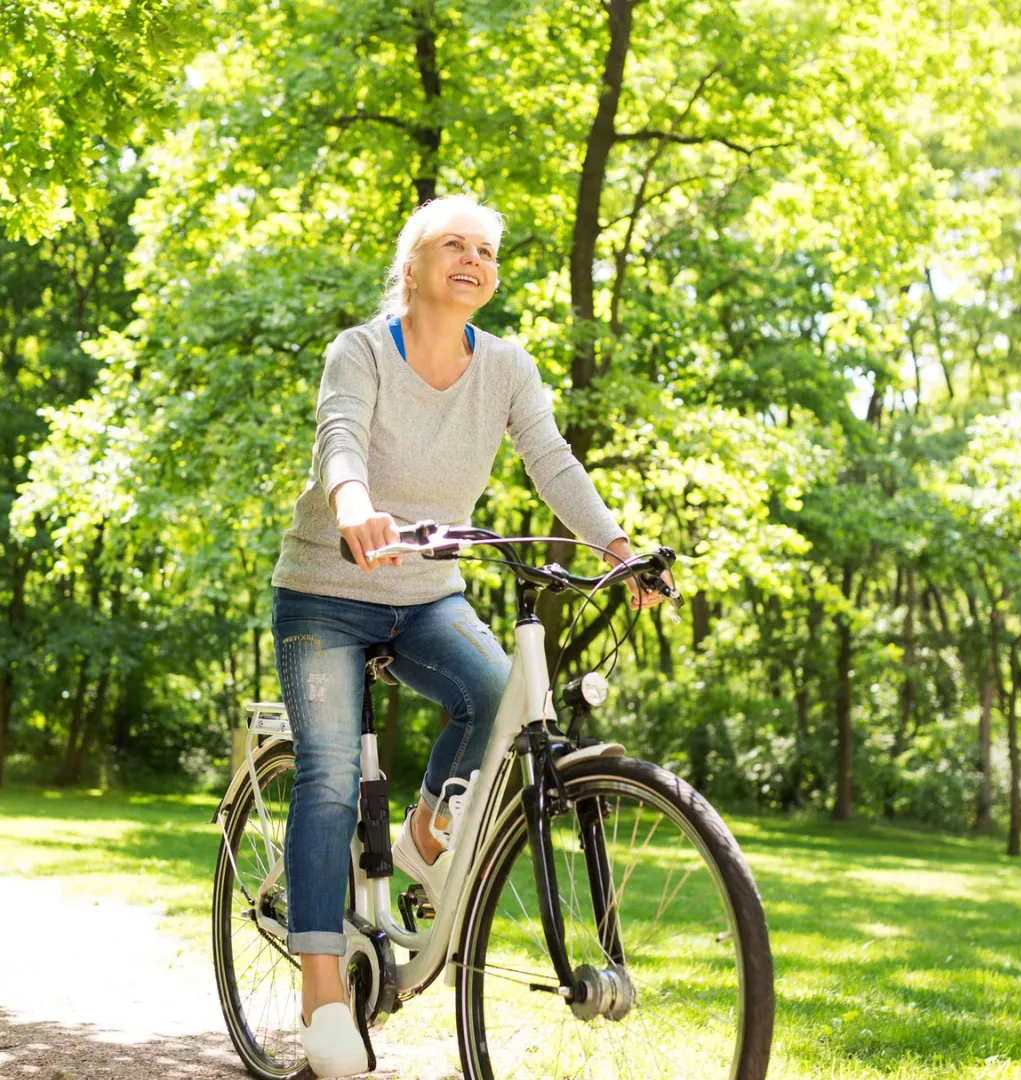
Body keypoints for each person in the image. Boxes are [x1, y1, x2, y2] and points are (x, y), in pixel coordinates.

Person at [269, 194, 670, 1077]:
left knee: (497, 696)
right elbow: (339, 439)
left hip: (427, 594)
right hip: (327, 590)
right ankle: (323, 997)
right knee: (330, 772)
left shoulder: (509, 366)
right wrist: (354, 506)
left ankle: (419, 837)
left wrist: (618, 547)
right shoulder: (362, 349)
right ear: (411, 266)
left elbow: (551, 459)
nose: (474, 258)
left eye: (486, 249)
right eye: (453, 243)